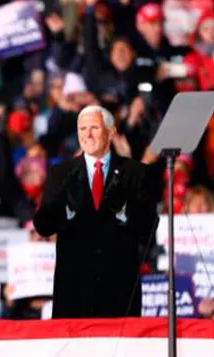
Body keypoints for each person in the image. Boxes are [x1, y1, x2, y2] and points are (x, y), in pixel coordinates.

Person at [33, 105, 158, 318]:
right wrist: (67, 208)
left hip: (119, 291)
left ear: (111, 132)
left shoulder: (136, 172)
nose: (87, 135)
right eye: (82, 129)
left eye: (94, 128)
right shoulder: (60, 173)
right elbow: (43, 225)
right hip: (74, 293)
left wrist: (124, 209)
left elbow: (149, 226)